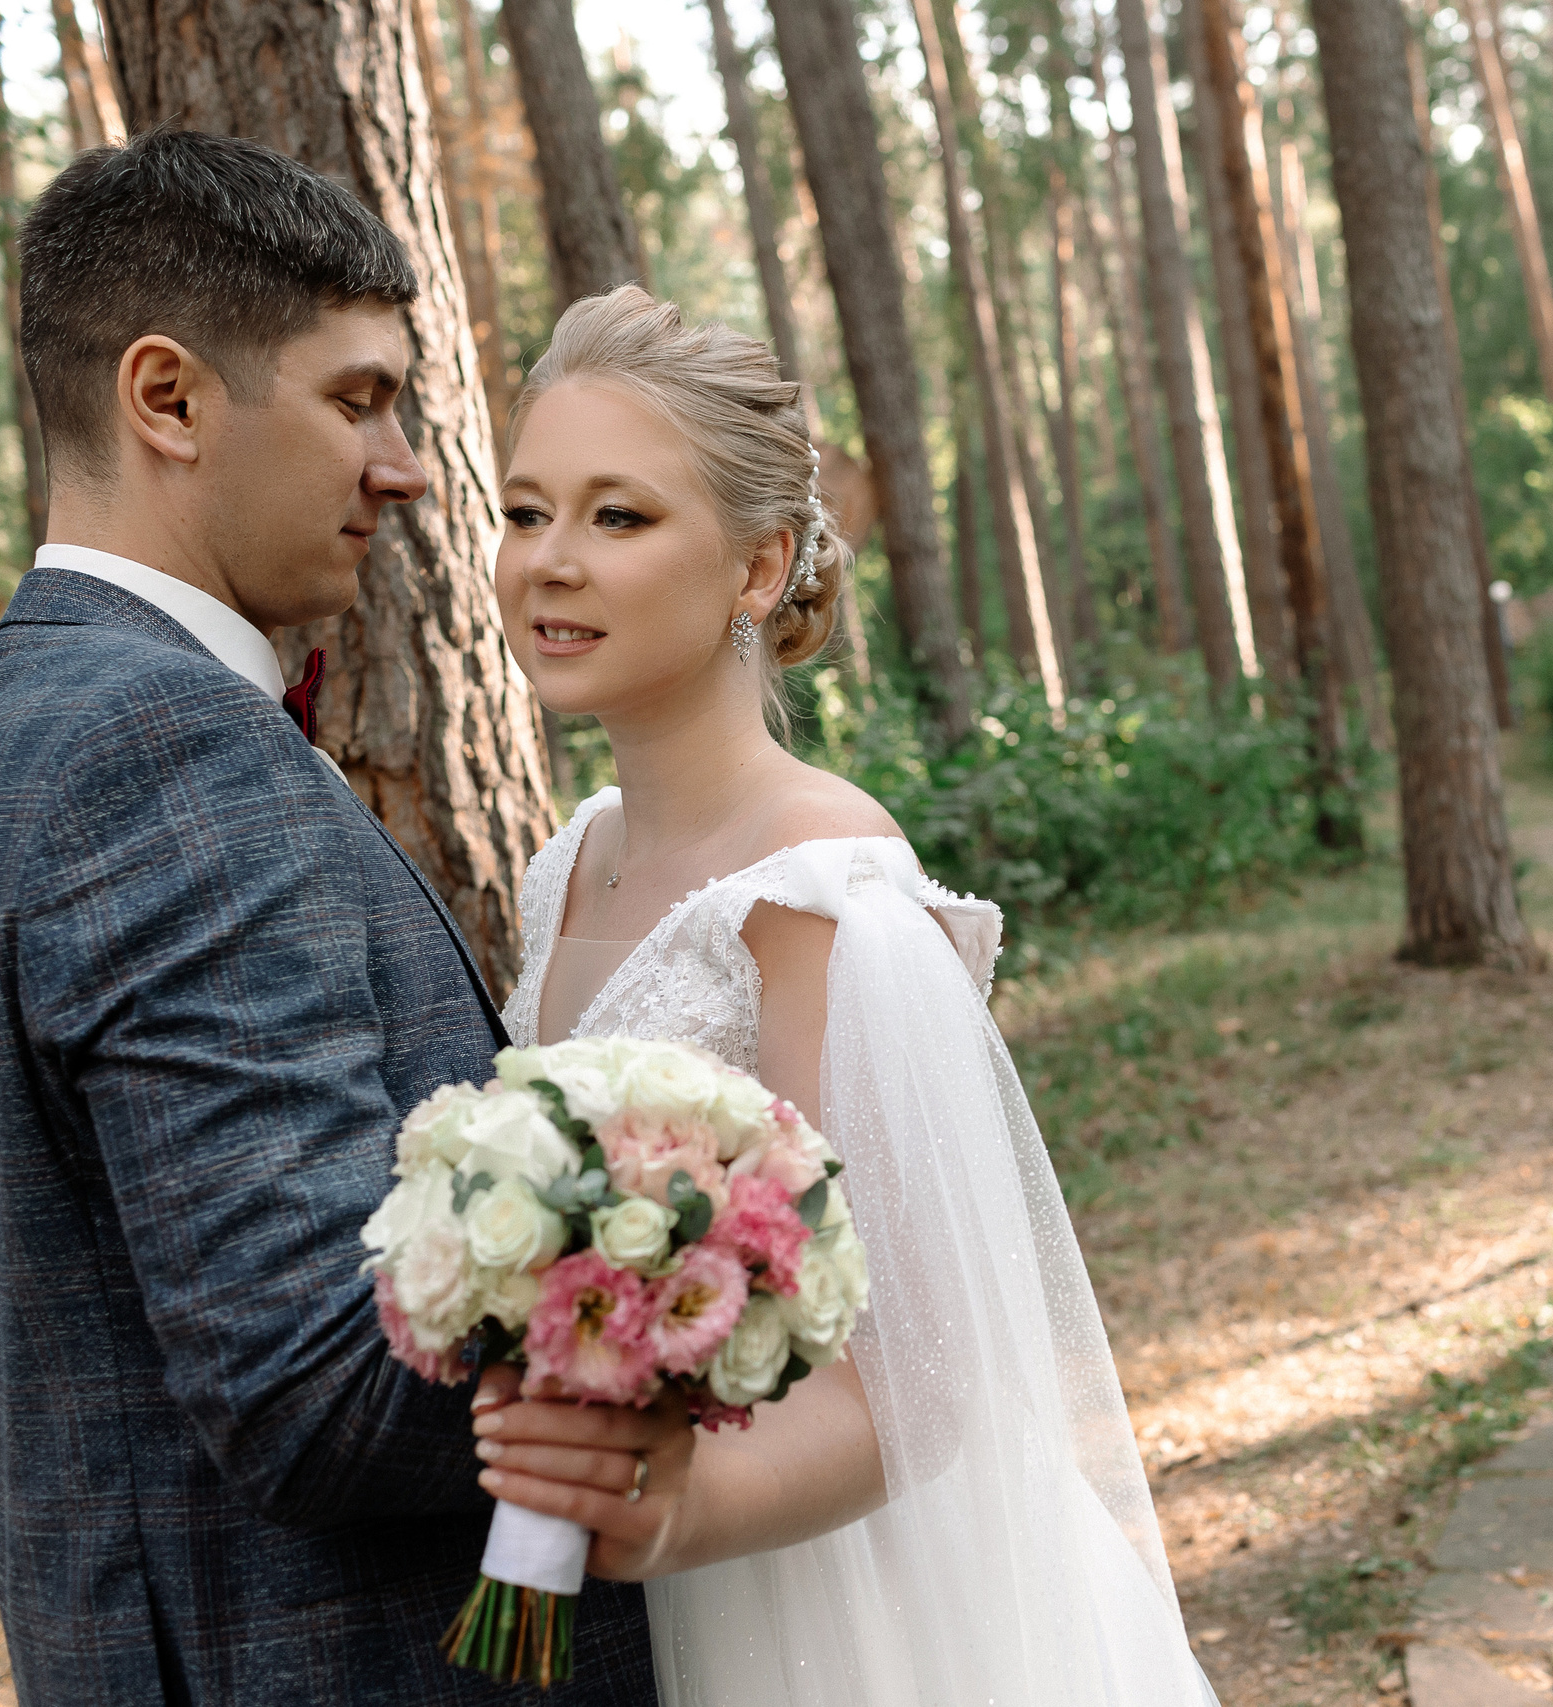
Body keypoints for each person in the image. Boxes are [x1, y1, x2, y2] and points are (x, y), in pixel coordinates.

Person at [0, 130, 666, 1704]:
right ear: (168, 400)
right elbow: (317, 1387)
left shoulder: (8, 733)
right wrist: (689, 1289)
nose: (406, 466)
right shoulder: (158, 749)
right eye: (357, 399)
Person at [470, 286, 1219, 1705]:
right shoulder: (569, 861)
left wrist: (679, 1509)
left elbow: (929, 1373)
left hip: (853, 1600)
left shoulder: (827, 892)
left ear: (759, 568)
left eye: (618, 516)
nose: (550, 562)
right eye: (525, 512)